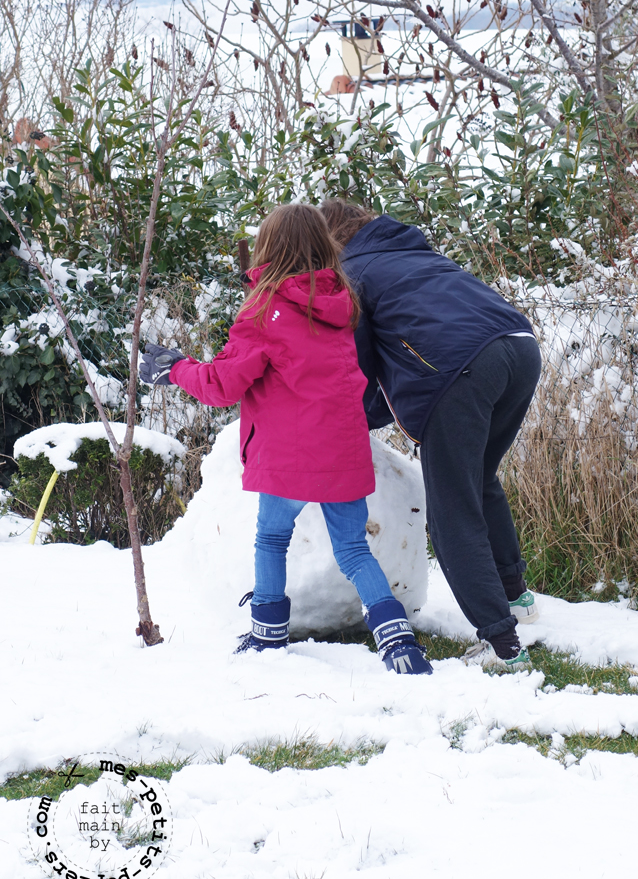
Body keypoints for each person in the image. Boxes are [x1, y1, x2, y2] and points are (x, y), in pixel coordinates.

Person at [139, 204, 432, 675]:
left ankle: (268, 631)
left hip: (287, 460)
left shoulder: (263, 311)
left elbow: (223, 384)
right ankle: (396, 639)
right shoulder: (343, 304)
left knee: (272, 539)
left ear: (267, 249)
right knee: (354, 549)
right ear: (324, 246)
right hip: (342, 452)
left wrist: (175, 368)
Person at [320, 200, 542, 671]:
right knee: (478, 479)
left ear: (331, 240)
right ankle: (515, 596)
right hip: (520, 350)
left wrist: (347, 425)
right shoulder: (414, 253)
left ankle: (502, 644)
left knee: (451, 509)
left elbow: (360, 371)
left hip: (458, 370)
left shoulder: (352, 275)